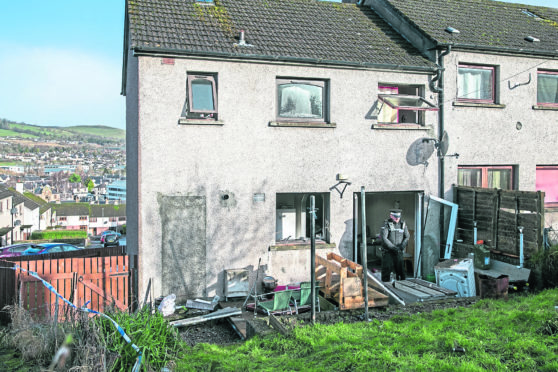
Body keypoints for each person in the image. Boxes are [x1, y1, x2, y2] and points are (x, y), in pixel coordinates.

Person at [380, 209, 410, 282]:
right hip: (388, 252)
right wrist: (393, 248)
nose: (397, 218)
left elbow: (407, 236)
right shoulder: (386, 224)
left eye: (399, 217)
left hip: (399, 251)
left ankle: (403, 286)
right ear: (391, 216)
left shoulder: (403, 224)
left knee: (401, 271)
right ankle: (385, 288)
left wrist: (401, 247)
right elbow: (384, 238)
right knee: (386, 270)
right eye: (395, 217)